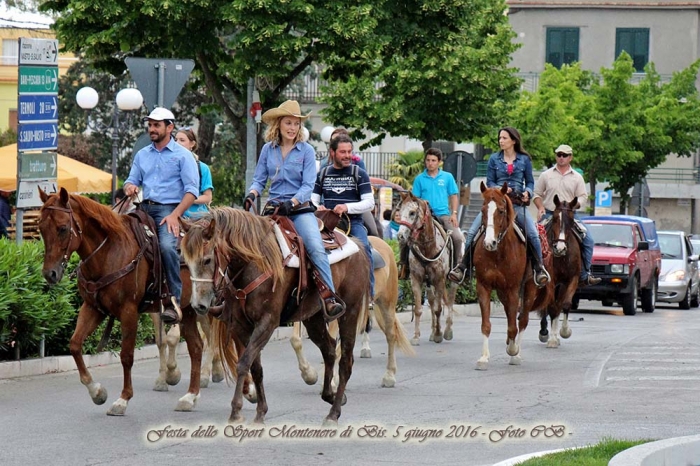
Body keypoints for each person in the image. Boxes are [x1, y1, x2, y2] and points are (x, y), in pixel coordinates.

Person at [246, 100, 345, 320]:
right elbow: (259, 179)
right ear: (278, 124)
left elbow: (308, 186)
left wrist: (293, 202)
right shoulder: (267, 149)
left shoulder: (307, 151)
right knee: (249, 246)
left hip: (300, 211)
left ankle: (329, 297)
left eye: (296, 124)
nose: (292, 128)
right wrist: (252, 194)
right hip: (273, 210)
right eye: (288, 123)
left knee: (315, 246)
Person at [123, 107, 199, 324]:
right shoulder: (142, 154)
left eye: (157, 125)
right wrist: (129, 187)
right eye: (150, 125)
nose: (152, 129)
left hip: (168, 210)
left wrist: (175, 215)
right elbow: (132, 179)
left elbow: (192, 191)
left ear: (170, 127)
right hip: (143, 209)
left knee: (166, 247)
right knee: (121, 238)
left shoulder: (183, 156)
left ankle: (173, 301)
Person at [448, 127, 550, 286]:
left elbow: (530, 182)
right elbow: (490, 182)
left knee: (533, 234)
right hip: (496, 204)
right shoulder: (494, 159)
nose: (501, 141)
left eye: (504, 138)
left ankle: (539, 269)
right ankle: (463, 268)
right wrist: (500, 189)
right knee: (472, 233)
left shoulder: (524, 159)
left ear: (514, 141)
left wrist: (528, 193)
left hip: (516, 205)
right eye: (500, 138)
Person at [312, 133, 375, 300]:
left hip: (352, 223)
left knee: (365, 248)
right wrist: (318, 207)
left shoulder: (359, 173)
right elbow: (313, 199)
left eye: (349, 152)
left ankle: (369, 293)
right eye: (343, 152)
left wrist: (346, 207)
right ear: (333, 153)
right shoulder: (323, 173)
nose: (348, 156)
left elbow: (369, 202)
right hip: (327, 224)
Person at [533, 144, 601, 286]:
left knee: (588, 240)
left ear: (570, 157)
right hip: (550, 213)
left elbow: (583, 196)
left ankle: (585, 274)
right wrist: (540, 207)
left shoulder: (577, 177)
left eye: (565, 155)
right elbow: (537, 194)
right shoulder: (546, 175)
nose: (561, 158)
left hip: (570, 215)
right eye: (559, 155)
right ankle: (534, 271)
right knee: (534, 237)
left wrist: (573, 206)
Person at [398, 148, 464, 279]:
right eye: (428, 160)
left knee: (457, 237)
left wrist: (454, 213)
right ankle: (404, 267)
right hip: (424, 216)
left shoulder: (447, 177)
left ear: (439, 162)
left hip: (443, 214)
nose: (430, 163)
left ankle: (457, 268)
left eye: (433, 160)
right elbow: (414, 200)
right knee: (404, 238)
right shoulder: (419, 179)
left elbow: (454, 196)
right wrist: (422, 202)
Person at [175, 127, 214, 218]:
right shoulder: (169, 166)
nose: (177, 143)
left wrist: (188, 200)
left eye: (182, 140)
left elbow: (207, 197)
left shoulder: (203, 168)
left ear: (192, 144)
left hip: (196, 217)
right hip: (172, 215)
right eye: (175, 140)